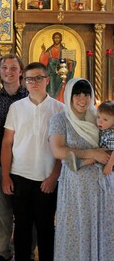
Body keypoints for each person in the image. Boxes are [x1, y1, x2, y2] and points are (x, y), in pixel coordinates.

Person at [1, 62, 64, 261]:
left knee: (46, 227)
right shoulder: (16, 108)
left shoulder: (59, 109)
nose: (34, 82)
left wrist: (54, 177)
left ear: (47, 79)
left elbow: (63, 148)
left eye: (38, 78)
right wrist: (5, 177)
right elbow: (6, 143)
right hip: (20, 175)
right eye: (29, 79)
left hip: (47, 178)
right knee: (21, 227)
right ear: (24, 82)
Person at [48, 78, 114, 260]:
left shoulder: (98, 117)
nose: (82, 99)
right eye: (77, 94)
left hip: (103, 187)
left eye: (86, 94)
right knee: (77, 231)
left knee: (103, 231)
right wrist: (91, 153)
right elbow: (58, 150)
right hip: (76, 189)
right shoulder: (60, 119)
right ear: (69, 95)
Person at [0, 54, 28, 261]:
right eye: (4, 68)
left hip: (26, 166)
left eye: (13, 68)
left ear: (21, 71)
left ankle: (25, 251)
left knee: (26, 214)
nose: (8, 71)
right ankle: (3, 252)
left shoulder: (30, 97)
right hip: (1, 164)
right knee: (3, 213)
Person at [66, 100, 114, 175]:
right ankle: (77, 162)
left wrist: (109, 166)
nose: (100, 122)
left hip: (109, 159)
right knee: (96, 153)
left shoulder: (112, 134)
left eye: (105, 119)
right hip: (103, 154)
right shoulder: (104, 129)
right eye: (98, 117)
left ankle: (79, 163)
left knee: (96, 155)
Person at [39, 31, 76, 102]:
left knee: (61, 94)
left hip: (62, 77)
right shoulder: (49, 51)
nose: (57, 39)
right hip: (52, 76)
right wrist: (43, 51)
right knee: (52, 93)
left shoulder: (65, 51)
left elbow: (71, 64)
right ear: (53, 39)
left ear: (61, 39)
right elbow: (43, 62)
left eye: (58, 38)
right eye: (55, 38)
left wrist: (70, 63)